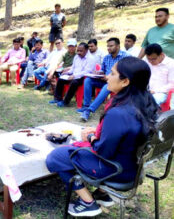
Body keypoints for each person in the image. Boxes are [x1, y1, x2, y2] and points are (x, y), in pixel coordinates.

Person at [46, 57, 159, 217]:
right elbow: (126, 134)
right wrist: (101, 131)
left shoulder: (119, 113)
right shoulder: (147, 101)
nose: (107, 76)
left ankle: (88, 202)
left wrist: (91, 136)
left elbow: (103, 152)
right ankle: (102, 194)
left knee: (56, 156)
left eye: (112, 73)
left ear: (125, 81)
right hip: (134, 166)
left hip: (117, 170)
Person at [79, 38, 129, 122]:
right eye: (107, 46)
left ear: (118, 46)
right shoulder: (106, 57)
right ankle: (86, 105)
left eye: (111, 46)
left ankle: (89, 111)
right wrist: (98, 73)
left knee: (107, 86)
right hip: (104, 80)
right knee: (88, 80)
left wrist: (109, 77)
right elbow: (103, 70)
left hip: (118, 83)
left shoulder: (125, 57)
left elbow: (126, 73)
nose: (108, 48)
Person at [50, 43, 95, 107]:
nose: (79, 52)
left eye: (81, 51)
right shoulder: (77, 57)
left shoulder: (91, 59)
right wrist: (67, 72)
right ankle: (58, 98)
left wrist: (74, 76)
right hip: (74, 75)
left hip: (84, 78)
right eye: (78, 50)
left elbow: (87, 71)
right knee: (61, 79)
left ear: (86, 50)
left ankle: (65, 102)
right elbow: (73, 68)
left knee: (74, 82)